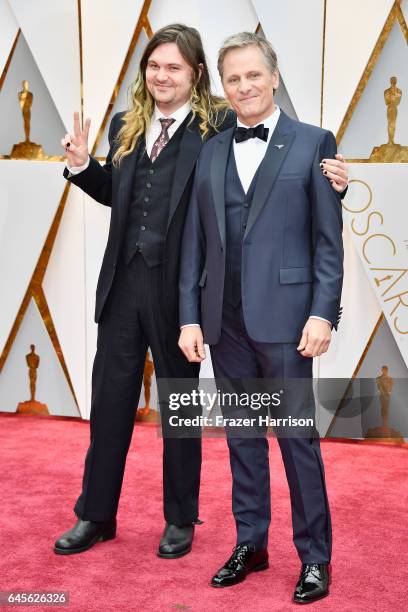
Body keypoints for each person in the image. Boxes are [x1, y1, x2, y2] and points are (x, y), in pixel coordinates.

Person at [54, 24, 348, 561]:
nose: (162, 76)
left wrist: (336, 178)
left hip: (182, 293)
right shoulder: (126, 123)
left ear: (195, 76)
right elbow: (120, 195)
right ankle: (95, 513)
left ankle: (181, 519)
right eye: (154, 66)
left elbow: (295, 181)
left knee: (183, 412)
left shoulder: (216, 124)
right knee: (109, 407)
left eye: (175, 67)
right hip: (127, 285)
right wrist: (81, 168)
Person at [178, 32, 344, 603]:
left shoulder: (314, 143)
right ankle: (252, 541)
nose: (244, 87)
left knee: (297, 441)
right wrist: (189, 317)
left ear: (274, 77)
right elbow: (195, 244)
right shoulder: (212, 150)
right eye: (233, 79)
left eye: (253, 75)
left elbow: (328, 242)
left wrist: (323, 312)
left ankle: (315, 557)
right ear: (222, 88)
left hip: (287, 323)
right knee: (242, 438)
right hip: (223, 325)